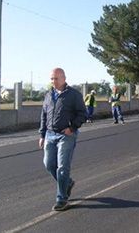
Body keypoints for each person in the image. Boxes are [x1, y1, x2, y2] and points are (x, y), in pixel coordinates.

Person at [39, 68, 86, 211]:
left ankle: (62, 199)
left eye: (56, 78)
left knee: (62, 167)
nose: (53, 81)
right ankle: (68, 183)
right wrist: (42, 134)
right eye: (52, 79)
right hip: (50, 135)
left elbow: (82, 114)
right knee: (48, 164)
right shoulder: (48, 95)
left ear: (64, 78)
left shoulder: (73, 95)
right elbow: (44, 115)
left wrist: (72, 128)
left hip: (66, 135)